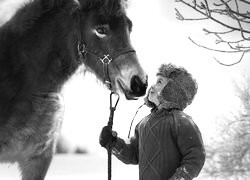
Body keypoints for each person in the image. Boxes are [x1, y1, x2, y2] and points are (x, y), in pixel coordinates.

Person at [99, 63, 206, 180]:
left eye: (159, 82)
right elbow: (134, 154)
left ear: (172, 89)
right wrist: (114, 143)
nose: (152, 86)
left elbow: (196, 157)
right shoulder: (144, 123)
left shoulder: (182, 121)